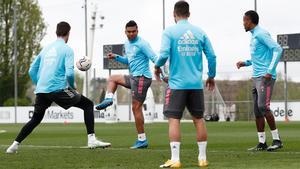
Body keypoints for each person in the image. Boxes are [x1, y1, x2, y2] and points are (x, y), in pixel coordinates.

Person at [6, 21, 111, 153]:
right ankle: (91, 140)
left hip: (42, 90)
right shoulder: (67, 49)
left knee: (35, 119)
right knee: (88, 105)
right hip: (57, 89)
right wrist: (73, 86)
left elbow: (32, 70)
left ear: (56, 32)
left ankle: (14, 145)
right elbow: (69, 73)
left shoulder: (46, 49)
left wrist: (39, 84)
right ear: (68, 34)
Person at [154, 1, 217, 168]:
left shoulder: (169, 31)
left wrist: (156, 66)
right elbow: (212, 56)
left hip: (177, 85)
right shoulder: (200, 32)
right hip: (196, 84)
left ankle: (175, 160)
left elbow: (164, 54)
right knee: (199, 119)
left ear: (174, 14)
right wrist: (211, 76)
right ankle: (202, 159)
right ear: (189, 14)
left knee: (174, 119)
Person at [95, 20, 157, 149]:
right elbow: (130, 61)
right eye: (129, 31)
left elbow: (155, 58)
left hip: (142, 78)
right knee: (112, 78)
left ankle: (142, 140)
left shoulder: (142, 44)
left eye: (134, 31)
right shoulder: (127, 43)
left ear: (137, 31)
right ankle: (108, 99)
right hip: (134, 77)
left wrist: (162, 74)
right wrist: (116, 57)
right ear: (125, 32)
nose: (131, 34)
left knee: (136, 108)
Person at [236, 10, 283, 151]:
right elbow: (259, 57)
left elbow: (278, 49)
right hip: (256, 77)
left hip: (265, 77)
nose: (243, 23)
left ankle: (277, 140)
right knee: (257, 111)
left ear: (250, 21)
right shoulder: (253, 36)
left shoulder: (262, 34)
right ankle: (262, 143)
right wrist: (246, 62)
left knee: (263, 107)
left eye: (245, 20)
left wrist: (270, 71)